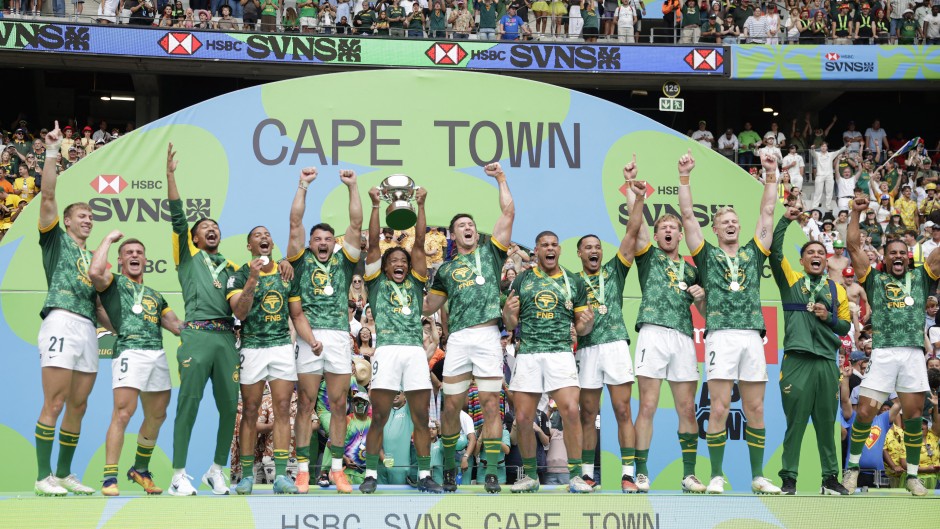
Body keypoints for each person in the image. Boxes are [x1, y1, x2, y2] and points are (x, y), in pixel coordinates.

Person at [679, 150, 782, 495]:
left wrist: (771, 174)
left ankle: (758, 476)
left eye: (735, 220)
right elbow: (687, 216)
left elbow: (768, 211)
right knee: (719, 407)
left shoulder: (754, 251)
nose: (731, 224)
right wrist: (684, 177)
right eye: (724, 221)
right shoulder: (706, 255)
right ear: (715, 228)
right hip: (720, 336)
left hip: (752, 335)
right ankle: (716, 476)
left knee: (756, 408)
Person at [423, 162, 514, 494]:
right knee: (451, 405)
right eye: (462, 225)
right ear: (453, 234)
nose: (468, 227)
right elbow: (428, 306)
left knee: (491, 404)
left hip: (489, 335)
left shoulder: (491, 253)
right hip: (459, 338)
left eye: (471, 224)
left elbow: (508, 213)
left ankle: (490, 471)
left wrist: (500, 178)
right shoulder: (446, 270)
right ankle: (449, 466)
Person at [843, 195, 940, 497]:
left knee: (913, 415)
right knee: (864, 413)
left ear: (908, 257)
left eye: (902, 253)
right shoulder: (874, 279)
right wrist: (855, 213)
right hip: (883, 352)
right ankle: (852, 469)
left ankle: (912, 476)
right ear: (884, 258)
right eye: (892, 253)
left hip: (912, 353)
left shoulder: (921, 277)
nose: (898, 256)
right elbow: (853, 247)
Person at [623, 161, 707, 494]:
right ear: (657, 235)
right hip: (653, 333)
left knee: (687, 409)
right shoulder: (648, 256)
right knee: (647, 406)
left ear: (680, 235)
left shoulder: (692, 270)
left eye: (674, 228)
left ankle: (689, 474)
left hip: (683, 337)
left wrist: (700, 298)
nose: (669, 231)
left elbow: (705, 311)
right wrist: (630, 184)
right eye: (664, 228)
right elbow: (636, 224)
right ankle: (642, 473)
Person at [164, 143, 242, 496]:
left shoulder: (233, 267)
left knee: (229, 408)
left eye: (215, 227)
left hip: (227, 339)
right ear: (195, 238)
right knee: (188, 405)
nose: (211, 229)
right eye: (204, 227)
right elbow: (178, 217)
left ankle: (216, 470)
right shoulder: (187, 257)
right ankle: (178, 474)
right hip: (196, 335)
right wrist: (170, 176)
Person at [286, 168, 363, 494]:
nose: (322, 243)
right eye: (317, 239)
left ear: (334, 243)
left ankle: (337, 469)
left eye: (327, 239)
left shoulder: (344, 262)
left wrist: (353, 186)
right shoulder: (300, 260)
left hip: (338, 336)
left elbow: (356, 224)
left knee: (339, 404)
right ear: (310, 243)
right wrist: (303, 185)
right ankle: (303, 471)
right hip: (310, 336)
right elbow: (295, 222)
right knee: (305, 403)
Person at [361, 186, 442, 494]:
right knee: (379, 417)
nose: (400, 263)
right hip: (387, 351)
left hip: (414, 352)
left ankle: (424, 475)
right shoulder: (375, 283)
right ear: (385, 266)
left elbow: (419, 243)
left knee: (421, 418)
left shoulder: (416, 282)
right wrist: (374, 206)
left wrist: (421, 204)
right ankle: (371, 474)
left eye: (403, 261)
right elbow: (372, 245)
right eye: (393, 260)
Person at [33, 122, 100, 497]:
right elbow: (47, 196)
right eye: (82, 215)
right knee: (55, 402)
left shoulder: (94, 260)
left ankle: (63, 474)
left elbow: (99, 305)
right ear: (68, 220)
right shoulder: (54, 239)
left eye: (92, 216)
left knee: (79, 405)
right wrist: (52, 152)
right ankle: (42, 476)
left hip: (88, 328)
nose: (88, 219)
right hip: (59, 320)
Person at [88, 232, 182, 496]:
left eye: (139, 253)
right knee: (122, 414)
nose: (134, 256)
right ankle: (109, 478)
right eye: (128, 253)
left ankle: (140, 469)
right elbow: (95, 272)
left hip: (157, 355)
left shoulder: (156, 295)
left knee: (158, 416)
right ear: (120, 260)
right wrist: (109, 240)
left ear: (145, 260)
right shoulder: (113, 283)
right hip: (129, 352)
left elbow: (177, 325)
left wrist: (209, 327)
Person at [574, 158, 647, 493]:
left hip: (616, 344)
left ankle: (628, 474)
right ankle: (588, 474)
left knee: (622, 410)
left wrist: (637, 195)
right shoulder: (572, 282)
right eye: (588, 247)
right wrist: (581, 325)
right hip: (588, 349)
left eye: (597, 247)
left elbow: (632, 232)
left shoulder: (615, 270)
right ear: (579, 254)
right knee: (588, 414)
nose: (594, 250)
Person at [502, 231, 595, 494]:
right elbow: (510, 322)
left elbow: (582, 328)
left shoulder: (573, 281)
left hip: (560, 353)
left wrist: (587, 325)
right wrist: (507, 315)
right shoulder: (523, 279)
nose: (550, 248)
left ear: (559, 250)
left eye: (554, 244)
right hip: (529, 353)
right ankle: (531, 476)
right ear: (536, 250)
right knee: (523, 417)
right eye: (545, 245)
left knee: (571, 411)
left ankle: (575, 476)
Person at [769, 206, 852, 496]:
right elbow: (774, 252)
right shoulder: (791, 280)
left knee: (827, 425)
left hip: (827, 363)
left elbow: (845, 327)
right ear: (802, 261)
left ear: (826, 260)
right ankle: (789, 479)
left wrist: (827, 318)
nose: (816, 256)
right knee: (795, 424)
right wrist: (785, 220)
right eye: (810, 253)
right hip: (797, 361)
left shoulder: (837, 290)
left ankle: (830, 479)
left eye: (820, 253)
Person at [226, 227, 300, 495]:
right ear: (249, 246)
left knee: (282, 409)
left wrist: (311, 340)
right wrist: (252, 279)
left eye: (267, 234)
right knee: (250, 410)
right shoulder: (238, 276)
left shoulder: (286, 272)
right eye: (257, 235)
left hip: (281, 346)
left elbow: (296, 313)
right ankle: (247, 476)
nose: (264, 237)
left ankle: (280, 476)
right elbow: (241, 313)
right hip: (252, 346)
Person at [808, 142, 847, 215]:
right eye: (822, 146)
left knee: (829, 191)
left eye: (825, 146)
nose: (823, 147)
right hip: (820, 175)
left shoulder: (831, 154)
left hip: (829, 175)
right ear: (820, 147)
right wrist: (812, 148)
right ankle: (814, 206)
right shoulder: (818, 154)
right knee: (818, 191)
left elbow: (839, 151)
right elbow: (812, 153)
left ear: (827, 147)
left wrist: (846, 146)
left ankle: (828, 206)